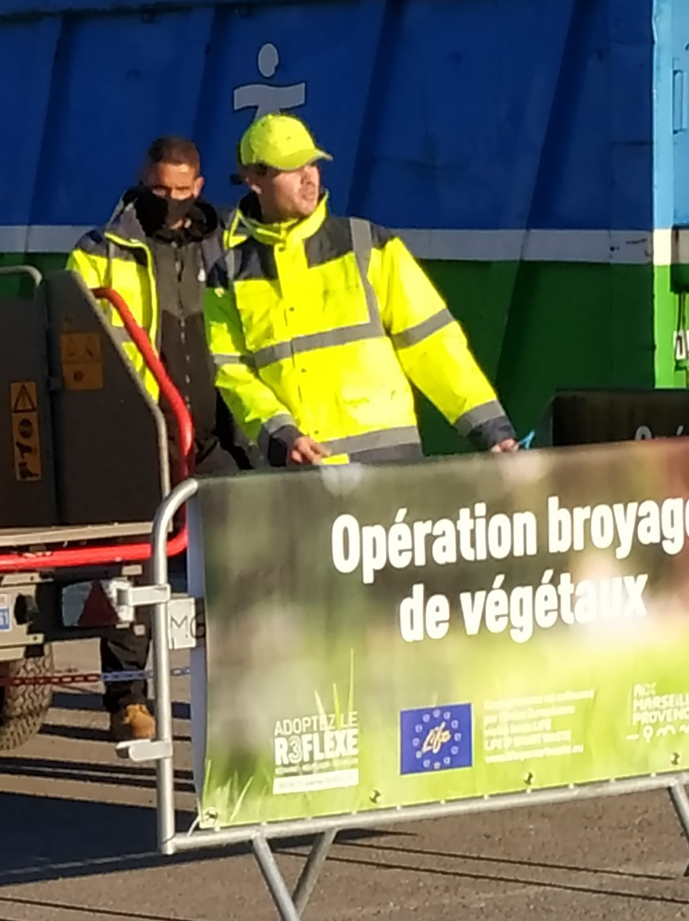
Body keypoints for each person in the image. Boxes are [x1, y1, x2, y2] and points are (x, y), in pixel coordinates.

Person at [66, 135, 257, 744]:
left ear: (199, 187)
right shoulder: (100, 251)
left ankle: (235, 691)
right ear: (142, 181)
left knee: (236, 562)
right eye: (158, 191)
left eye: (181, 192)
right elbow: (76, 340)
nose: (170, 203)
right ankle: (128, 698)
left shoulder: (228, 243)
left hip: (212, 431)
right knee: (130, 568)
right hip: (138, 429)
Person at [202, 112, 519, 468]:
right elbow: (233, 373)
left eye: (312, 164)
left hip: (388, 467)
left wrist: (490, 429)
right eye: (291, 168)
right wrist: (282, 434)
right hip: (301, 475)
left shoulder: (369, 246)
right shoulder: (228, 274)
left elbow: (433, 344)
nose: (309, 178)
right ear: (253, 179)